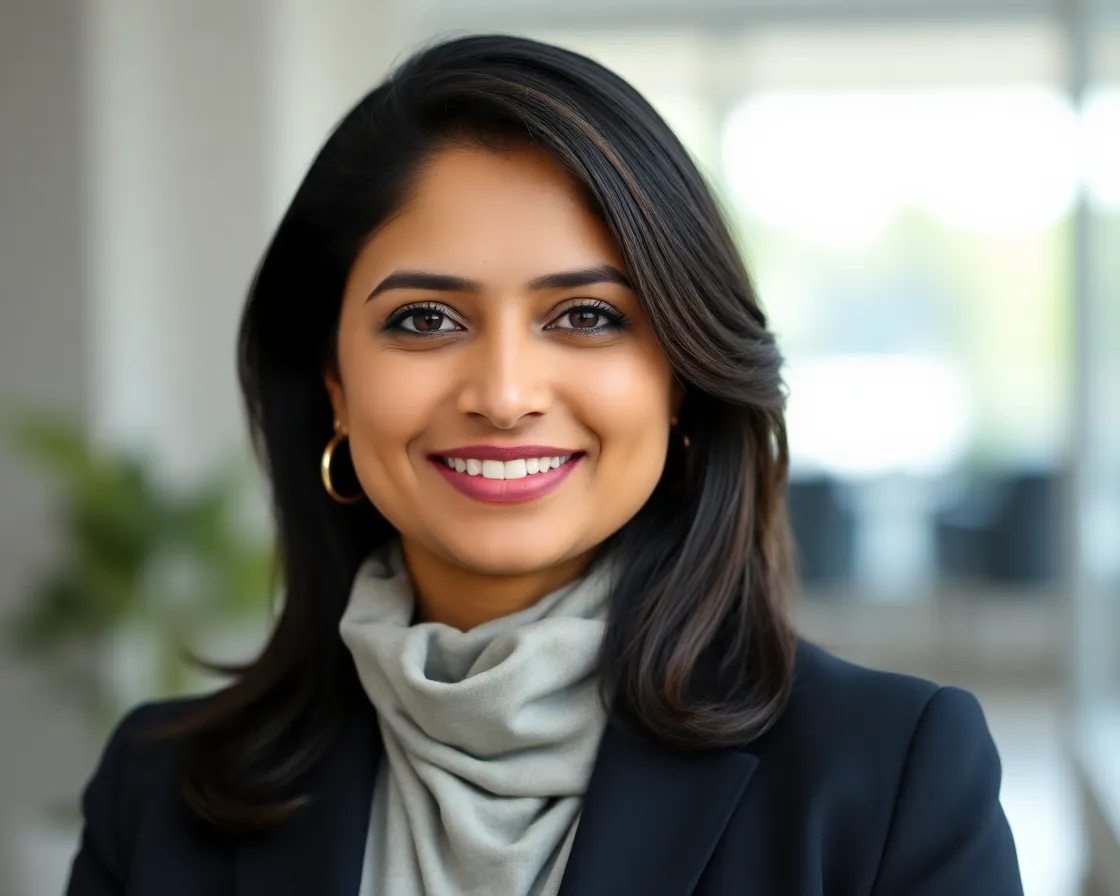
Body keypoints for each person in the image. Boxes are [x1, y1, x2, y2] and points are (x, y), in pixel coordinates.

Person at [64, 34, 1024, 896]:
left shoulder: (894, 777)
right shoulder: (159, 790)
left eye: (587, 316)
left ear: (682, 381)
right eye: (425, 319)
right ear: (336, 385)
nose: (505, 393)